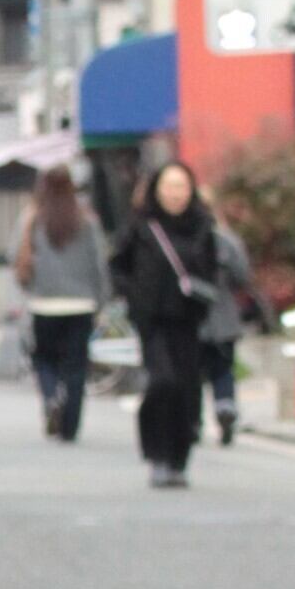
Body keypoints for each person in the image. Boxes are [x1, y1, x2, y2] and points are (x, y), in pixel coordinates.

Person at [111, 157, 221, 488]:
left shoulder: (202, 226)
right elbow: (118, 266)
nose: (175, 193)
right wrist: (134, 296)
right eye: (169, 186)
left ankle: (178, 459)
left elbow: (212, 270)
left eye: (181, 186)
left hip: (188, 320)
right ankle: (156, 455)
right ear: (157, 190)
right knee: (162, 382)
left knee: (186, 390)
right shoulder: (141, 226)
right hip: (152, 320)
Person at [14, 161, 107, 441]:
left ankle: (51, 396)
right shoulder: (86, 220)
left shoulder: (32, 218)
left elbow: (14, 253)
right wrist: (101, 300)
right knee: (76, 365)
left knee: (44, 359)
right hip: (81, 304)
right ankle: (70, 427)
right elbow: (99, 263)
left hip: (43, 303)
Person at [201, 209, 255, 443]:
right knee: (223, 369)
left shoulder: (181, 240)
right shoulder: (227, 241)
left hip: (193, 319)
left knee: (193, 373)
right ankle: (225, 405)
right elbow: (242, 276)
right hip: (224, 316)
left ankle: (193, 421)